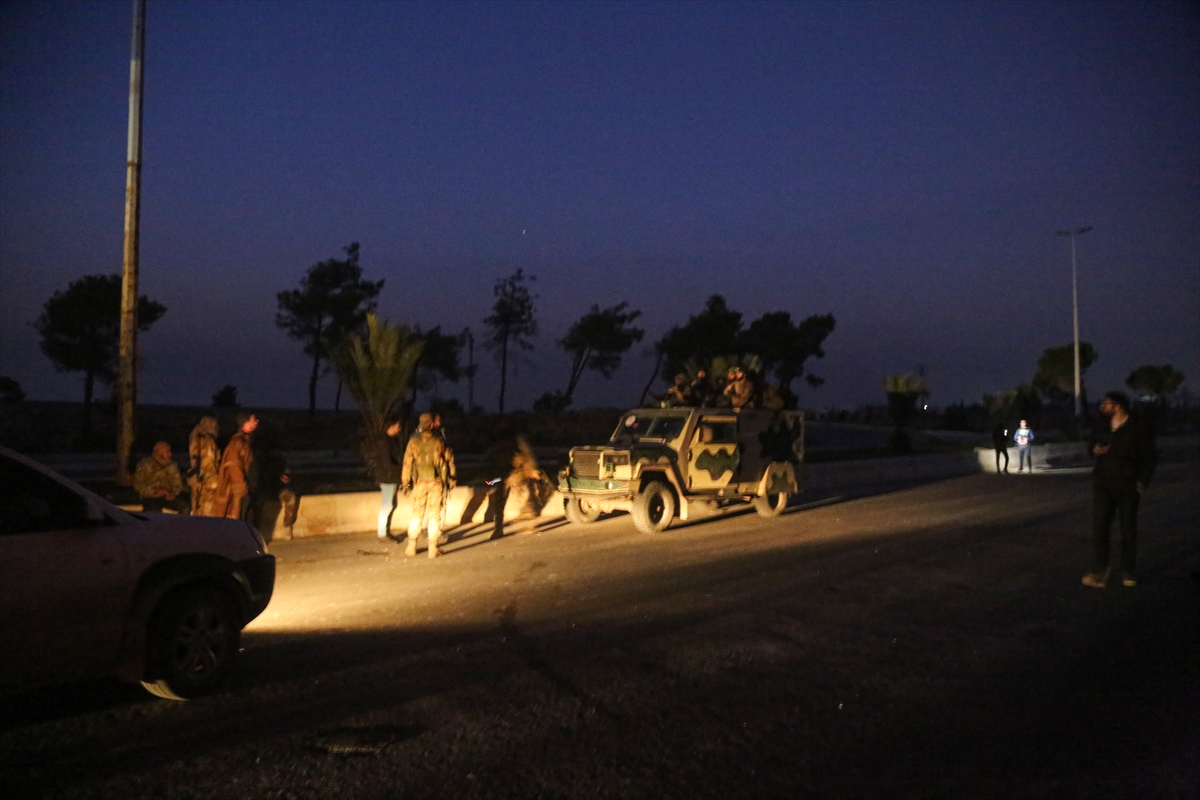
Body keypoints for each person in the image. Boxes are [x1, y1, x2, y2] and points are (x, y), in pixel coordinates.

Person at [1082, 391, 1157, 588]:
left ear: (1118, 406)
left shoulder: (1137, 426)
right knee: (1100, 528)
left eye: (1107, 403)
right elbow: (1090, 446)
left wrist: (1143, 481)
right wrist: (1095, 450)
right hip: (1103, 484)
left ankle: (1129, 572)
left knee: (1128, 530)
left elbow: (1150, 456)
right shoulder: (1101, 425)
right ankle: (1101, 571)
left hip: (1128, 485)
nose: (1102, 406)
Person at [401, 413, 450, 558]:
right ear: (432, 424)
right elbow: (447, 460)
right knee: (434, 515)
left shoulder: (413, 443)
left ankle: (411, 547)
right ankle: (433, 548)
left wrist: (405, 483)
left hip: (420, 483)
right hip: (435, 482)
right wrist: (451, 479)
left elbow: (407, 464)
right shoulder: (438, 441)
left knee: (417, 514)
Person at [213, 411, 258, 520]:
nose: (257, 421)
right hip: (242, 489)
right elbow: (233, 464)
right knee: (241, 516)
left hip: (248, 486)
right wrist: (241, 486)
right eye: (253, 419)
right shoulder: (238, 441)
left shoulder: (247, 440)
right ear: (246, 422)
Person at [371, 419, 403, 542]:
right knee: (387, 505)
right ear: (391, 426)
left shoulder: (386, 440)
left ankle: (385, 532)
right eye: (398, 426)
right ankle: (382, 533)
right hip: (387, 477)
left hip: (388, 476)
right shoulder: (384, 442)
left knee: (390, 504)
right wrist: (402, 469)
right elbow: (387, 463)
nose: (399, 429)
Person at [133, 441, 188, 513]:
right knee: (154, 511)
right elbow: (138, 485)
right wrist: (155, 491)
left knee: (185, 507)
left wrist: (173, 493)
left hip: (166, 497)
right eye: (167, 452)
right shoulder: (144, 466)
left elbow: (177, 484)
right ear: (160, 453)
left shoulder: (172, 466)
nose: (170, 454)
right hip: (149, 498)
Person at [188, 416, 221, 516]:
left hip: (198, 480)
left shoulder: (195, 437)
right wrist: (215, 481)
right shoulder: (207, 441)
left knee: (197, 509)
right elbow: (208, 463)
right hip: (206, 483)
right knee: (207, 511)